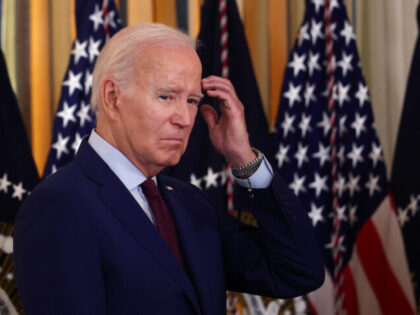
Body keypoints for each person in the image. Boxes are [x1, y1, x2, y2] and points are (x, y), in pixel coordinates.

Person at [14, 23, 324, 314]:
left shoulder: (190, 204)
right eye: (166, 97)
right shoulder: (59, 206)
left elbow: (297, 273)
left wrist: (245, 160)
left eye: (191, 100)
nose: (186, 119)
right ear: (112, 97)